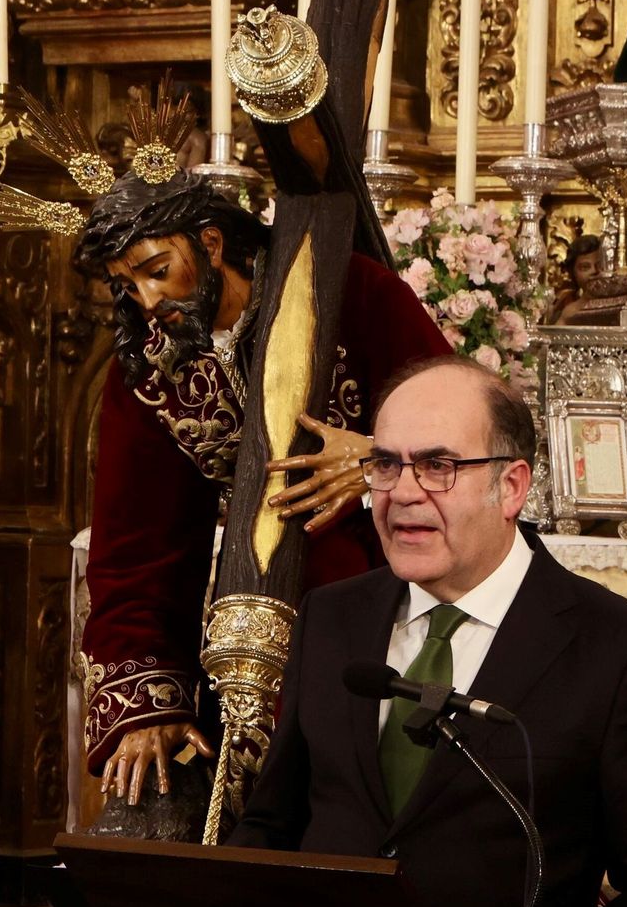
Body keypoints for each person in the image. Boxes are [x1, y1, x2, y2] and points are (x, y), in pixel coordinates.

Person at [220, 357, 627, 907]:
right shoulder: (331, 619)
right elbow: (273, 824)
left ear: (511, 486)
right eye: (385, 465)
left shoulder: (614, 650)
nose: (403, 492)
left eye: (438, 466)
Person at [77, 169, 449, 806]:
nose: (147, 300)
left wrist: (378, 459)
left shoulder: (350, 290)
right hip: (249, 624)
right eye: (127, 286)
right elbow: (136, 545)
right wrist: (148, 703)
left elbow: (467, 426)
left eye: (157, 271)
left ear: (211, 242)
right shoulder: (151, 369)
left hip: (392, 595)